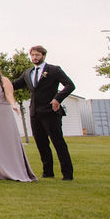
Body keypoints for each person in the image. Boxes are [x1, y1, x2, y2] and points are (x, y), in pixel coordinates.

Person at [12, 45, 75, 180]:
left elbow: (70, 85)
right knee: (41, 144)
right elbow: (14, 85)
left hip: (51, 112)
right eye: (33, 55)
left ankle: (67, 174)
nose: (34, 58)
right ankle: (47, 172)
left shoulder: (54, 70)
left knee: (58, 143)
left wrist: (57, 98)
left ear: (43, 56)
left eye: (37, 55)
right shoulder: (27, 73)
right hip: (35, 113)